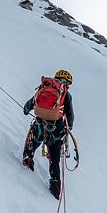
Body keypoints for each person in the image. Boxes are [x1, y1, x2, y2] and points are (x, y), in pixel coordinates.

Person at [22, 70, 74, 199]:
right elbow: (70, 115)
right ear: (67, 83)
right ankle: (55, 186)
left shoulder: (45, 87)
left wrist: (26, 109)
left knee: (33, 143)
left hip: (40, 125)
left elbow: (33, 101)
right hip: (56, 130)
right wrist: (69, 127)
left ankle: (27, 160)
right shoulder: (66, 94)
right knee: (55, 159)